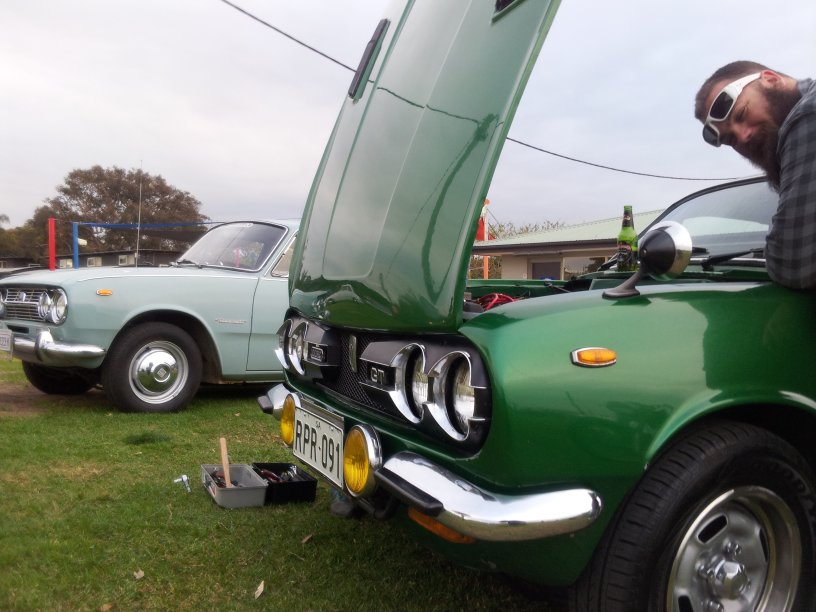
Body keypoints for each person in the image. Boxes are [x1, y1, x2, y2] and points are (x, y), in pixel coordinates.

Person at [694, 61, 816, 289]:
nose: (743, 136)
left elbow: (794, 265)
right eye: (731, 140)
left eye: (741, 114)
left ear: (771, 79)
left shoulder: (809, 114)